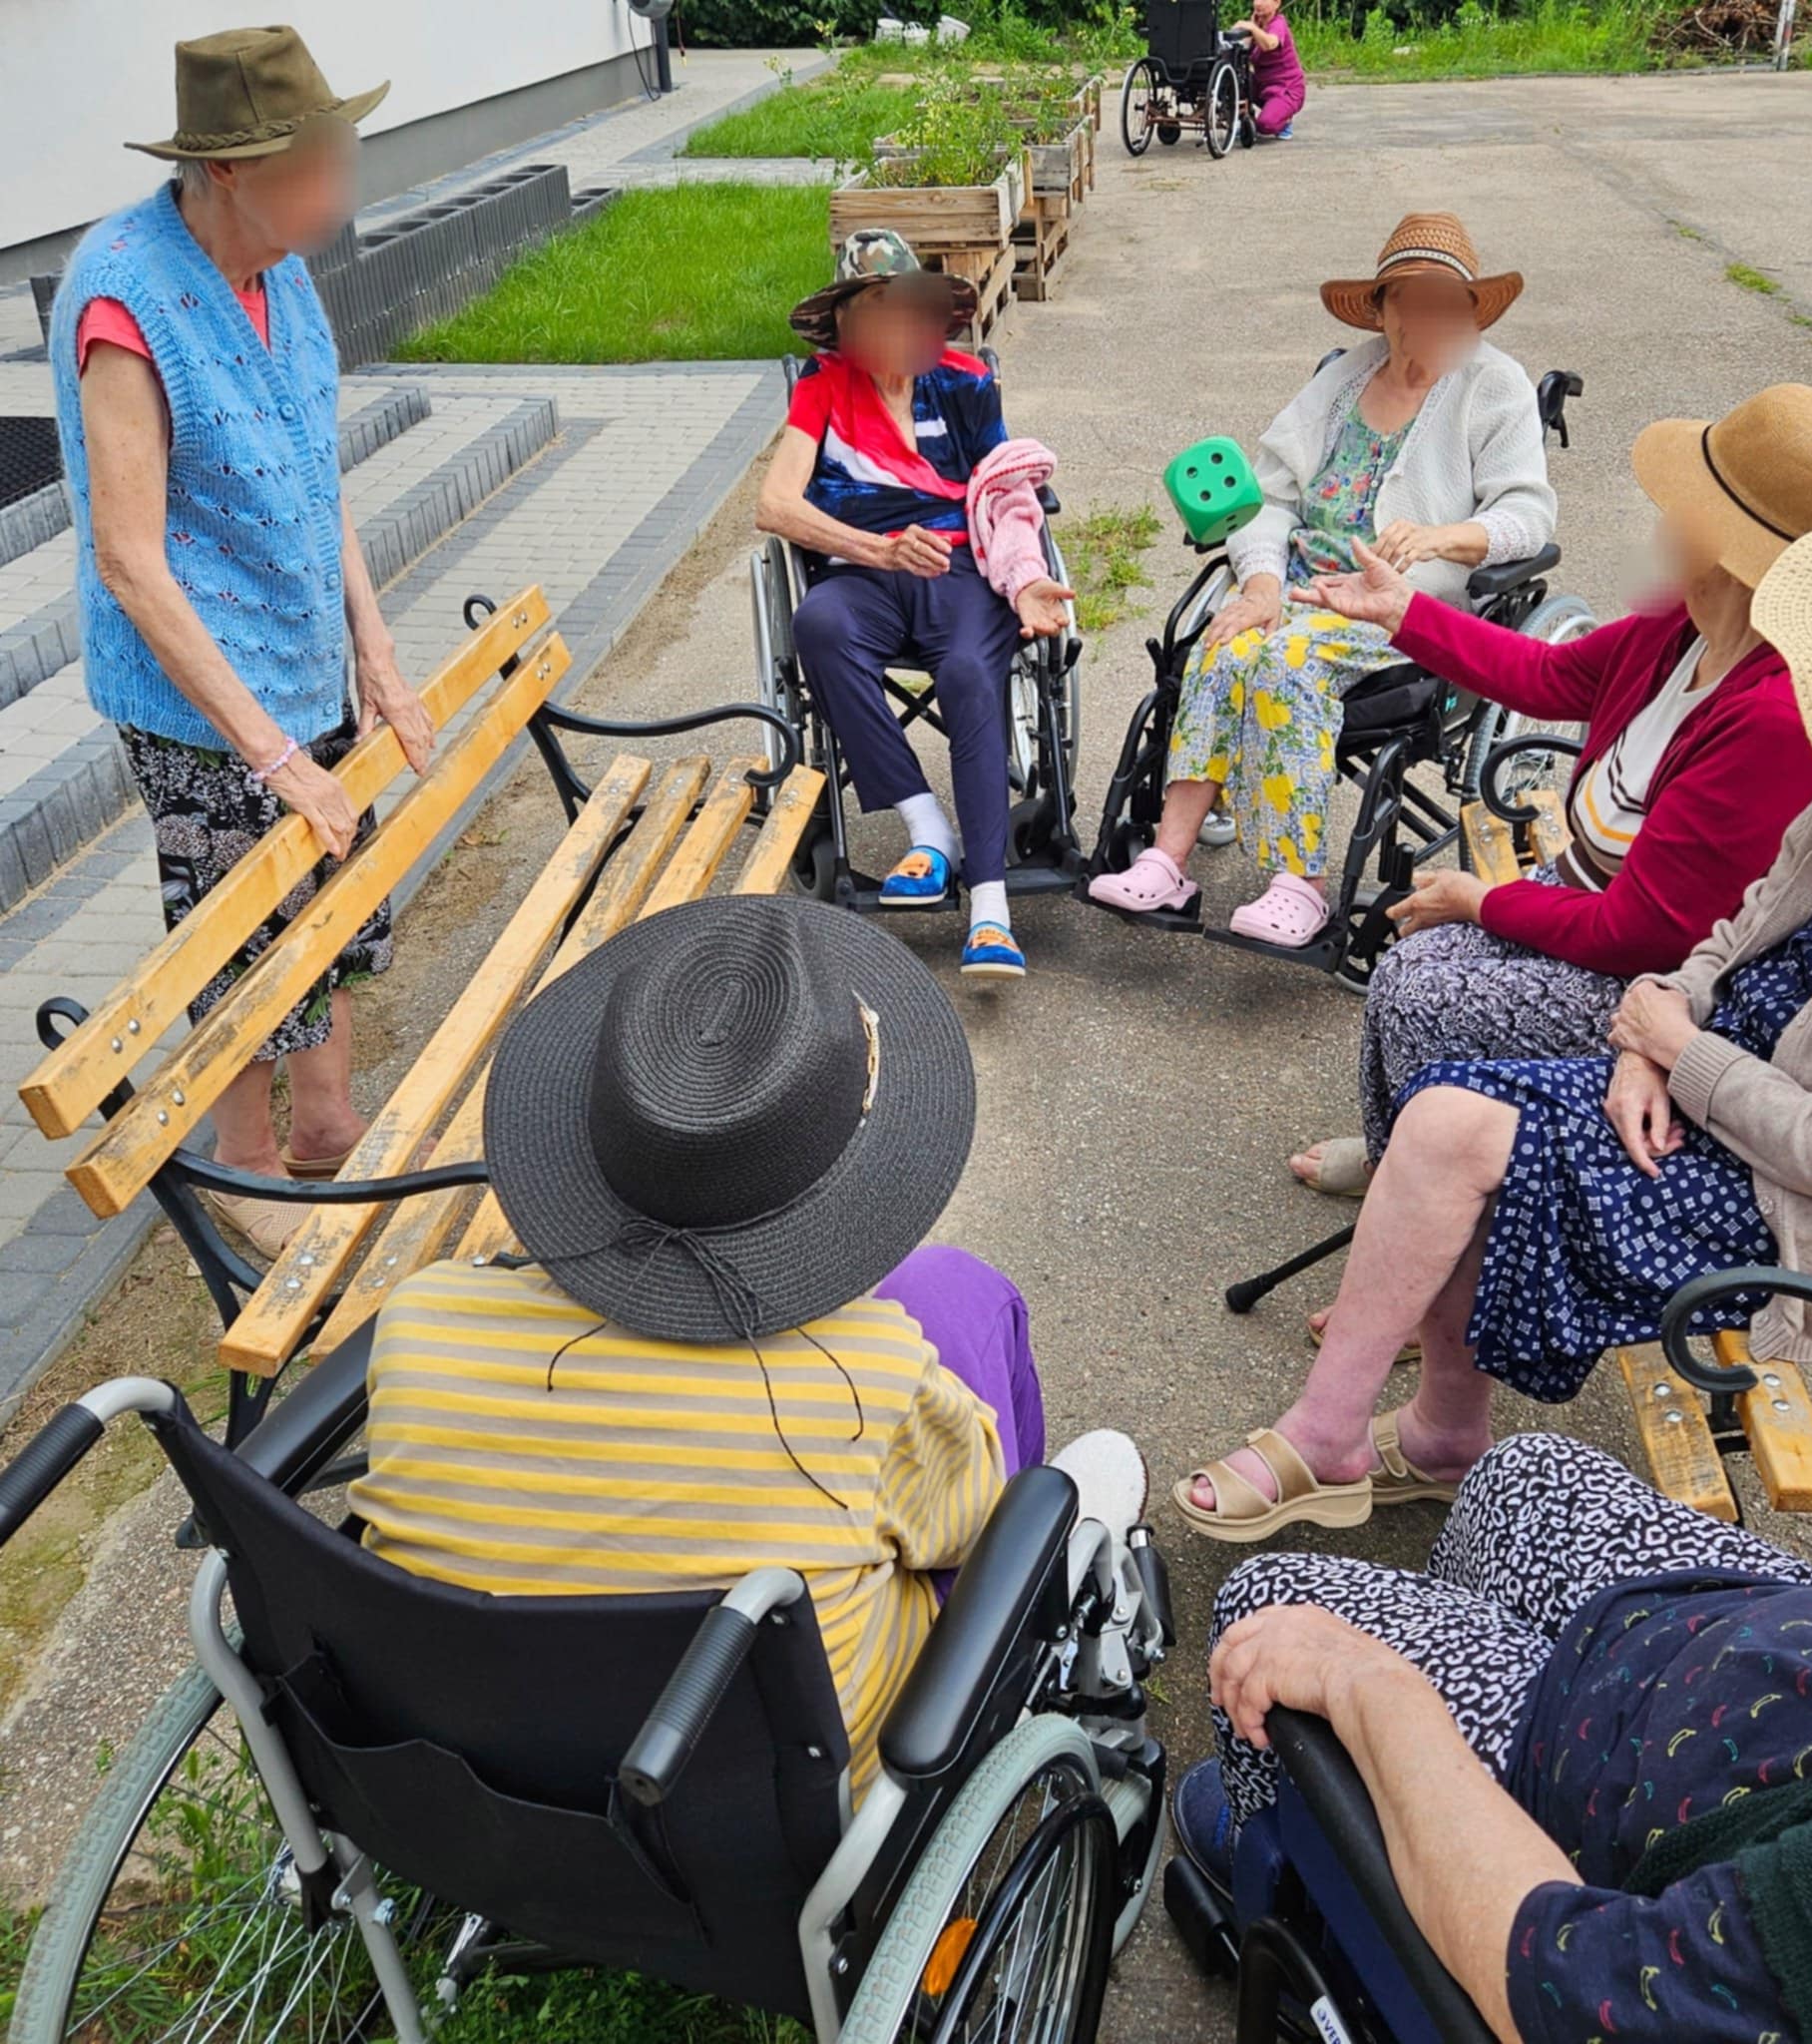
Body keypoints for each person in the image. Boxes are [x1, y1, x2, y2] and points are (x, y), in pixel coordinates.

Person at [1171, 536, 1812, 1540]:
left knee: (1457, 1129)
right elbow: (1732, 931)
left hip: (1807, 1221)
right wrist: (1642, 1035)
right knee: (1452, 1105)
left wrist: (1679, 1053)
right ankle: (1437, 1433)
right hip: (1703, 1095)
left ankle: (1341, 1436)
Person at [1183, 1129, 1812, 2044]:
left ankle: (1294, 1879)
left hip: (1603, 1786)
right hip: (1782, 1652)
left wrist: (1375, 1689)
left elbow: (1561, 1986)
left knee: (1273, 1617)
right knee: (1521, 1474)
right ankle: (1426, 1720)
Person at [347, 896, 1143, 1796]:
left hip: (483, 1766)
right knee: (991, 1350)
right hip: (783, 1807)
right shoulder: (868, 1383)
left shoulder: (418, 1324)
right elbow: (972, 1529)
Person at [1287, 382, 1812, 1207]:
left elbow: (1643, 932)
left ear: (1716, 541)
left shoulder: (1775, 715)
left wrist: (1480, 900)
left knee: (1425, 988)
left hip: (1676, 981)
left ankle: (1437, 1210)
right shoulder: (1681, 625)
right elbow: (1544, 674)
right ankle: (1410, 1173)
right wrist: (1402, 611)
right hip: (1592, 896)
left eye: (1681, 503)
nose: (1661, 516)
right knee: (1409, 962)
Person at [47, 27, 434, 1259]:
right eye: (318, 162)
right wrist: (271, 752)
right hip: (198, 692)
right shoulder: (124, 299)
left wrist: (374, 653)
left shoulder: (281, 265)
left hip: (304, 652)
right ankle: (242, 1159)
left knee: (329, 890)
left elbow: (317, 480)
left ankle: (323, 1121)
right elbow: (129, 560)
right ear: (229, 170)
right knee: (239, 926)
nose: (342, 186)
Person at [1088, 214, 1556, 947]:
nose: (1426, 317)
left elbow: (1529, 515)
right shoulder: (1346, 375)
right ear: (1384, 308)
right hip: (1303, 589)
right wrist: (1263, 583)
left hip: (1398, 608)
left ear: (1470, 310)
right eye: (1410, 299)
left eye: (1445, 302)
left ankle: (1299, 885)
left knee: (1286, 660)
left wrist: (1445, 537)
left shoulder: (1495, 386)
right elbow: (1268, 497)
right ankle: (1167, 861)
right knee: (1229, 638)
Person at [756, 230, 1074, 981]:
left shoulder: (963, 385)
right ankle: (930, 833)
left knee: (968, 670)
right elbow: (774, 504)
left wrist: (1025, 577)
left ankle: (990, 910)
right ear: (845, 328)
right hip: (862, 575)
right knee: (818, 625)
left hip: (960, 571)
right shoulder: (823, 389)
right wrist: (878, 549)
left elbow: (1006, 492)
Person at [1231, 0, 1306, 139]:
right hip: (1263, 85)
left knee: (1265, 124)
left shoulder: (1278, 23)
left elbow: (1270, 44)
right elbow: (1243, 51)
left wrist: (1253, 29)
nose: (1258, 3)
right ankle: (1243, 117)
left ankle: (1285, 121)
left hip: (1286, 88)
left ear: (1277, 3)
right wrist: (1246, 29)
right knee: (1235, 79)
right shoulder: (1258, 24)